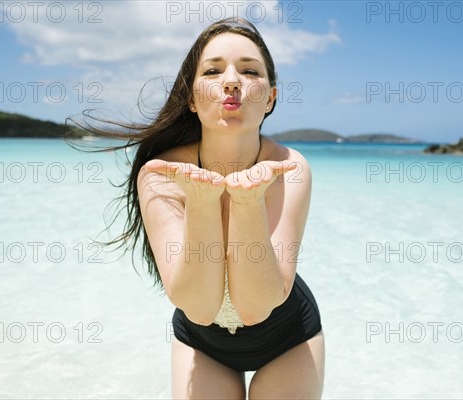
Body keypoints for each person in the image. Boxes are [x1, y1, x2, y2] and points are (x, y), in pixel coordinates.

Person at [71, 18, 324, 399]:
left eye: (250, 70)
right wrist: (203, 203)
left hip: (288, 336)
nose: (232, 80)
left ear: (270, 97)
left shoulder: (289, 168)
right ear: (191, 98)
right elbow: (200, 308)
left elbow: (256, 307)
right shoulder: (162, 174)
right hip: (202, 341)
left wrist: (248, 201)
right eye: (213, 70)